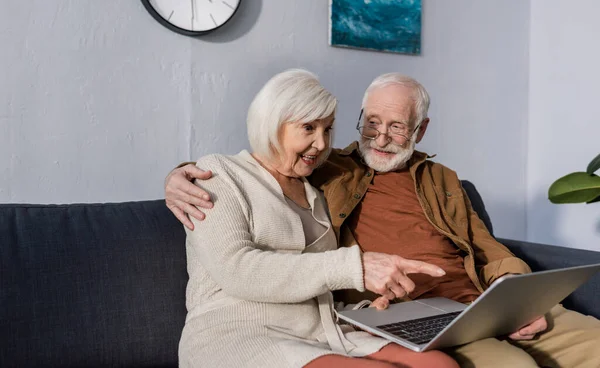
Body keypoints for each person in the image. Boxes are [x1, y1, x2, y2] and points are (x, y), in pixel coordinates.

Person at [168, 72, 600, 368]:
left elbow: (488, 248)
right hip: (413, 312)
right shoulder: (331, 168)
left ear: (421, 130)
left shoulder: (443, 179)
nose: (380, 137)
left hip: (485, 302)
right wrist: (180, 175)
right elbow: (263, 163)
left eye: (397, 127)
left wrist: (522, 299)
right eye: (371, 123)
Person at [177, 69, 459, 368]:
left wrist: (365, 308)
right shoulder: (219, 174)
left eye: (327, 129)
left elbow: (313, 284)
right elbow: (237, 270)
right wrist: (357, 267)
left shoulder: (314, 190)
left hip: (320, 330)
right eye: (309, 127)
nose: (322, 143)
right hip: (239, 332)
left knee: (439, 363)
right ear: (272, 123)